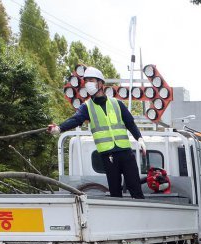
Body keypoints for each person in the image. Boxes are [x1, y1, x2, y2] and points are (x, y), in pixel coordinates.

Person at [48, 67, 145, 199]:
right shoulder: (86, 107)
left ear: (100, 83)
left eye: (91, 80)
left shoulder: (117, 104)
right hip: (108, 156)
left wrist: (140, 139)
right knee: (115, 193)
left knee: (136, 189)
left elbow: (130, 123)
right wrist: (59, 128)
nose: (88, 84)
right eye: (86, 81)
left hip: (125, 153)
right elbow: (75, 120)